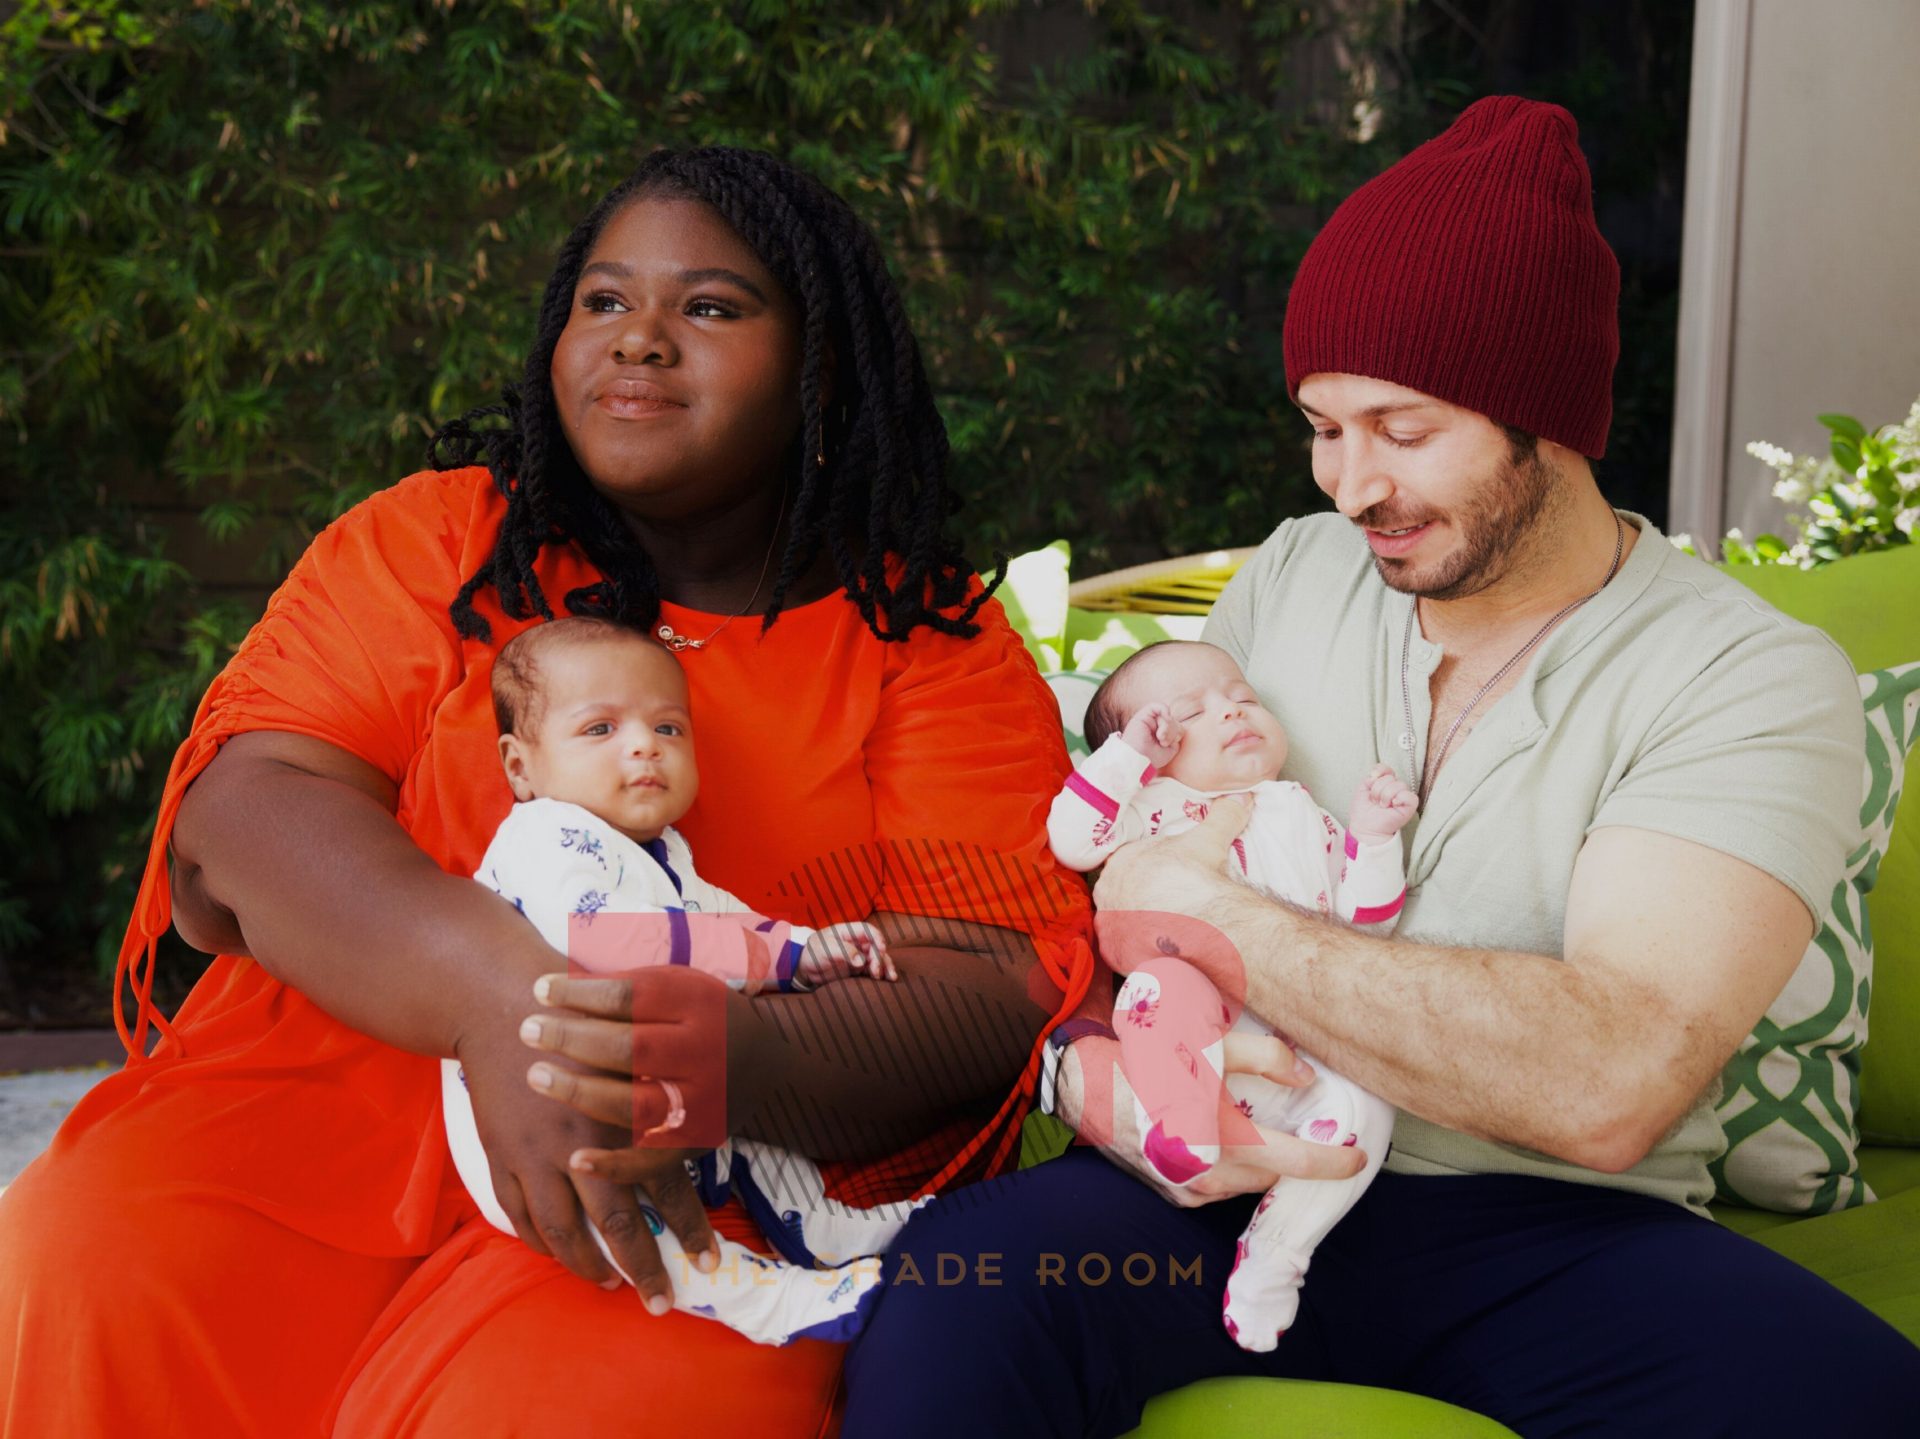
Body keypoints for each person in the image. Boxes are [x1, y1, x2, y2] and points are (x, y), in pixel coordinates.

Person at [842, 96, 1920, 1437]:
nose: (1352, 485)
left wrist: (1214, 905)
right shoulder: (1297, 574)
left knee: (1855, 1400)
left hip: (1557, 1228)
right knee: (962, 1278)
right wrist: (1095, 1057)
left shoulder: (1745, 673)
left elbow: (1602, 1085)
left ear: (1550, 416)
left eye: (1403, 428)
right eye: (1322, 424)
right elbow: (1110, 883)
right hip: (1226, 1173)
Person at [0, 146, 1094, 1436]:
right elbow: (242, 816)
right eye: (602, 300)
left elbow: (988, 985)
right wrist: (493, 995)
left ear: (821, 369)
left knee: (584, 1403)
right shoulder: (440, 539)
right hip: (308, 1117)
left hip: (695, 1177)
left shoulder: (928, 643)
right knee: (95, 1251)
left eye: (710, 306)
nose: (638, 340)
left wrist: (677, 1062)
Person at [442, 616, 912, 1347]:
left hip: (644, 1075)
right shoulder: (543, 836)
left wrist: (807, 950)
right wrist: (761, 962)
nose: (644, 744)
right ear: (521, 766)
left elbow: (724, 920)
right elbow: (594, 936)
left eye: (669, 726)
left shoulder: (664, 855)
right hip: (548, 1115)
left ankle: (817, 1223)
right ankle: (767, 1300)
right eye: (600, 729)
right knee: (635, 1215)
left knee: (754, 1099)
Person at [1046, 639, 1410, 1349]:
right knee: (1164, 982)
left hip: (1297, 1056)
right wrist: (1127, 760)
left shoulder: (1301, 809)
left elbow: (1366, 924)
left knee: (1369, 1103)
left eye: (1243, 697)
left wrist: (1373, 837)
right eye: (1188, 712)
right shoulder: (1155, 807)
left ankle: (1279, 1251)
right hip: (1191, 1041)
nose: (1230, 713)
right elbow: (1070, 839)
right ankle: (1178, 1119)